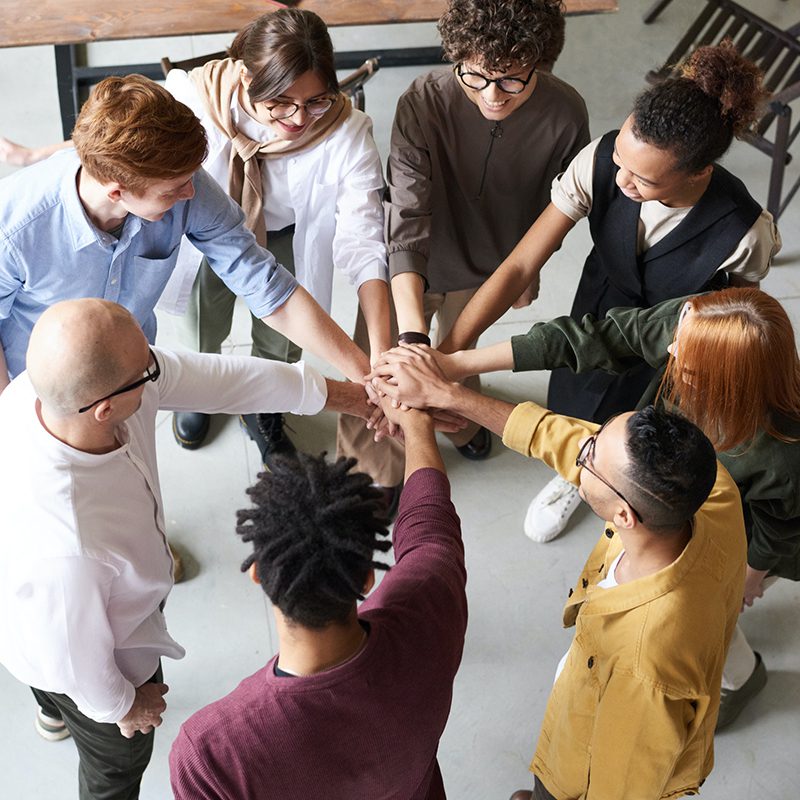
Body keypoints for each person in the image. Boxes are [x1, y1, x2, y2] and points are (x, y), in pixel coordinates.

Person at [0, 297, 373, 799]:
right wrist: (122, 708)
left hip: (45, 605)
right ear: (105, 408)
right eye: (146, 369)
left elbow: (218, 379)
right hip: (75, 653)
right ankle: (63, 711)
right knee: (115, 765)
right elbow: (69, 655)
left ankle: (50, 709)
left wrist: (348, 397)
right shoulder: (70, 545)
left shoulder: (52, 392)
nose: (157, 369)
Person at [439, 40, 781, 542]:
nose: (621, 181)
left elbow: (736, 319)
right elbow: (518, 266)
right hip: (599, 304)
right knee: (575, 396)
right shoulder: (599, 161)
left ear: (699, 172)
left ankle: (618, 491)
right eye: (620, 158)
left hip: (672, 347)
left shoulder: (746, 231)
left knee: (641, 434)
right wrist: (450, 352)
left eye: (642, 179)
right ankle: (575, 474)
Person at [369, 347, 746, 799]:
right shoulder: (709, 488)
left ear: (624, 515)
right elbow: (563, 438)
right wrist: (449, 395)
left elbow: (620, 788)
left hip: (579, 768)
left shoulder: (645, 668)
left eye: (588, 457)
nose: (579, 451)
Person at [423, 286, 800, 728]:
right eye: (677, 335)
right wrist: (455, 366)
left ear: (727, 382)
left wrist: (746, 581)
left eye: (689, 361)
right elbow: (594, 338)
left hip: (746, 540)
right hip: (672, 509)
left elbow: (781, 531)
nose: (671, 348)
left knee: (711, 617)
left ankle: (741, 678)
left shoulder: (782, 454)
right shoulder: (693, 324)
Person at [0, 72, 371, 404]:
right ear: (117, 192)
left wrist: (366, 375)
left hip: (134, 373)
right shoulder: (14, 228)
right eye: (174, 189)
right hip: (33, 389)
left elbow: (264, 282)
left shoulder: (180, 178)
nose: (190, 194)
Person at [169, 398, 467, 799]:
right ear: (366, 577)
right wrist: (416, 426)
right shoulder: (431, 604)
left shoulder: (210, 754)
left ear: (257, 574)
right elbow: (430, 527)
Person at [347, 0, 588, 479]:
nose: (493, 95)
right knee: (382, 371)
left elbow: (555, 211)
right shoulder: (422, 101)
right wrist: (414, 341)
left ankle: (459, 424)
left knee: (459, 355)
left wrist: (529, 270)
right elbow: (408, 216)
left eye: (512, 79)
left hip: (490, 270)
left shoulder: (566, 115)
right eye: (474, 76)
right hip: (410, 265)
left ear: (541, 60)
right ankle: (372, 472)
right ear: (456, 55)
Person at [157, 9, 392, 479]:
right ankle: (204, 389)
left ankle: (265, 405)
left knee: (285, 338)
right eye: (281, 103)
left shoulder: (347, 131)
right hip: (207, 232)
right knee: (203, 317)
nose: (300, 119)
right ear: (246, 77)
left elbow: (364, 242)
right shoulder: (192, 98)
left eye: (317, 101)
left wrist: (379, 361)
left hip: (286, 233)